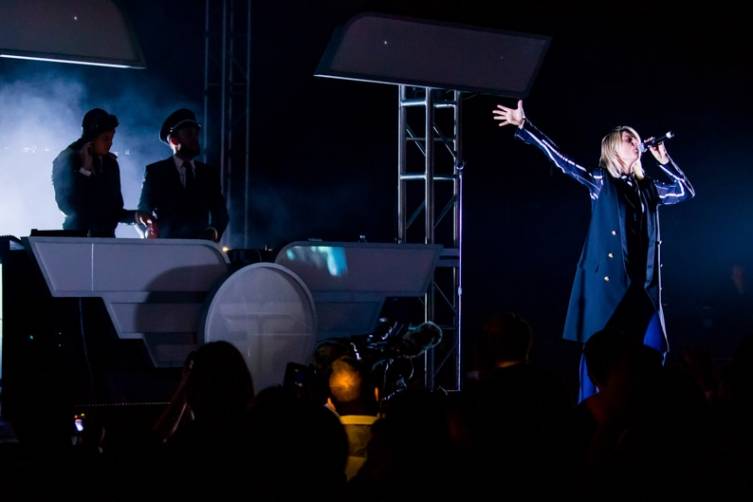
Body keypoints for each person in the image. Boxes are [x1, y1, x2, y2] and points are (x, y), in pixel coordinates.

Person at [493, 100, 695, 400]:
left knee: (655, 351)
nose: (636, 143)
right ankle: (587, 413)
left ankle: (643, 412)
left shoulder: (648, 188)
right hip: (609, 285)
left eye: (637, 139)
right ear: (613, 148)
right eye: (628, 139)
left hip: (643, 288)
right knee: (597, 358)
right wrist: (525, 126)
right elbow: (563, 162)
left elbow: (685, 191)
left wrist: (665, 161)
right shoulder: (601, 181)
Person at [136, 109, 228, 241]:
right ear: (174, 141)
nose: (195, 139)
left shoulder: (208, 174)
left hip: (200, 247)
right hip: (165, 247)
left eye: (196, 134)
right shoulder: (156, 172)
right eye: (189, 134)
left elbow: (221, 214)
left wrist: (213, 232)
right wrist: (149, 232)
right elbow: (143, 212)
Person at [52, 108, 132, 237]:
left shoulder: (110, 163)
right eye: (105, 139)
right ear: (91, 138)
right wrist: (85, 171)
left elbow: (115, 209)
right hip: (78, 238)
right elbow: (67, 205)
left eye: (111, 138)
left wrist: (136, 217)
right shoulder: (67, 159)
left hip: (106, 238)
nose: (110, 143)